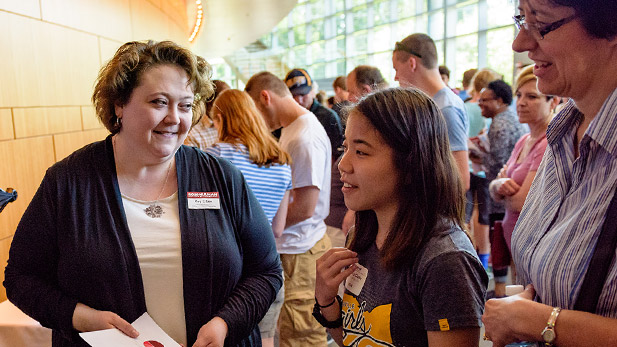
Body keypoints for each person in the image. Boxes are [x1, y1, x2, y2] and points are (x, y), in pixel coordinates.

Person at [4, 40, 282, 347]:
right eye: (159, 102)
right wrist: (79, 317)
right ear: (119, 104)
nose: (175, 118)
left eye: (186, 105)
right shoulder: (68, 182)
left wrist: (224, 324)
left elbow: (266, 271)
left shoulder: (221, 178)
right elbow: (21, 278)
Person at [482, 0, 617, 345]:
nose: (520, 43)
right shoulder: (562, 130)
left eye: (541, 23)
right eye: (520, 20)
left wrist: (547, 323)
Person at [314, 87, 487, 347]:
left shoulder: (444, 261)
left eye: (361, 152)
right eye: (345, 146)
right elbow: (356, 339)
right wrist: (327, 301)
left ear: (410, 164)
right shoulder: (362, 236)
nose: (343, 164)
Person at [245, 71, 332, 347]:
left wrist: (263, 229)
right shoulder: (294, 130)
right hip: (294, 248)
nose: (255, 120)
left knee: (302, 335)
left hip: (300, 251)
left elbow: (305, 208)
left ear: (264, 98)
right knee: (292, 330)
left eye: (253, 111)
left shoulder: (303, 136)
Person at [206, 89, 293, 347]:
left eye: (215, 121)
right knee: (265, 341)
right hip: (268, 270)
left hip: (231, 276)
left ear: (222, 120)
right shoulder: (281, 160)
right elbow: (277, 228)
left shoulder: (216, 157)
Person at [488, 65, 559, 252]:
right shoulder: (524, 140)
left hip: (536, 246)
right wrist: (497, 185)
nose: (521, 102)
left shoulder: (548, 143)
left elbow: (521, 203)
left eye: (532, 97)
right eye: (519, 95)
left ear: (553, 102)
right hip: (516, 241)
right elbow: (496, 185)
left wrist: (499, 190)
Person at [392, 33, 470, 191]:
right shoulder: (436, 104)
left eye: (396, 69)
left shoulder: (445, 109)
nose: (395, 77)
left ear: (412, 63)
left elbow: (461, 180)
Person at [474, 80, 527, 298]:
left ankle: (502, 290)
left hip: (506, 194)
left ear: (499, 101)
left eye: (485, 100)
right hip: (506, 190)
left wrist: (474, 154)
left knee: (500, 241)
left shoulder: (500, 123)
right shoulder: (511, 120)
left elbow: (496, 163)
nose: (480, 105)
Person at [465, 68, 503, 270]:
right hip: (484, 171)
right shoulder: (491, 112)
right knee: (485, 216)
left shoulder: (464, 107)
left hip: (468, 167)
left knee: (468, 214)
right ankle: (484, 263)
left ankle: (469, 257)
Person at [284, 68, 343, 160]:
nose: (299, 100)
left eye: (303, 94)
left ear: (312, 91)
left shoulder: (328, 116)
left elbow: (336, 154)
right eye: (294, 96)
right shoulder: (285, 119)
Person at [184, 79, 230, 150]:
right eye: (225, 102)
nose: (230, 107)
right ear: (211, 103)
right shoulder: (193, 134)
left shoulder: (230, 126)